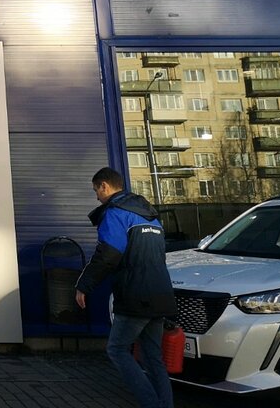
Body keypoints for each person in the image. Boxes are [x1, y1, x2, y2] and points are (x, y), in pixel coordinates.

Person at [75, 167, 176, 408]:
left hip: (135, 295)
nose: (96, 197)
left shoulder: (115, 213)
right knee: (153, 357)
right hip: (161, 293)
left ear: (104, 186)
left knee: (117, 349)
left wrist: (84, 285)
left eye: (96, 191)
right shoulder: (149, 215)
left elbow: (108, 254)